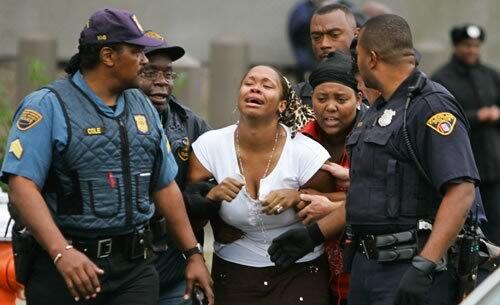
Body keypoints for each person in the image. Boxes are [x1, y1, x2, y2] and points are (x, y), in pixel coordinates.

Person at [1, 8, 213, 305]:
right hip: (67, 270)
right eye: (136, 51)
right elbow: (22, 185)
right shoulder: (48, 105)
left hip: (135, 270)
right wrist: (61, 252)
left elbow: (164, 185)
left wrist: (193, 254)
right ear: (108, 56)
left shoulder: (142, 105)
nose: (143, 59)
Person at [270, 14, 481, 305]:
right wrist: (314, 234)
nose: (353, 63)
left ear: (371, 58)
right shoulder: (378, 111)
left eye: (356, 56)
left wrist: (425, 264)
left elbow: (461, 191)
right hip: (367, 267)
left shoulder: (430, 107)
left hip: (410, 267)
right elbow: (369, 194)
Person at [187, 65, 336, 305]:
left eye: (267, 86)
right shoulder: (208, 147)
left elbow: (336, 208)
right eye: (249, 83)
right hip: (235, 271)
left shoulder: (306, 153)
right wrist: (211, 199)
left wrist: (298, 197)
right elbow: (190, 214)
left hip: (299, 269)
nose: (255, 88)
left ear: (282, 105)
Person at [137, 30, 214, 305]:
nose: (161, 82)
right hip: (126, 267)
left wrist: (204, 197)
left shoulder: (190, 124)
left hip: (176, 264)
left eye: (168, 74)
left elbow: (213, 185)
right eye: (149, 72)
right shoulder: (113, 121)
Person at [297, 51, 367, 305]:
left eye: (341, 98)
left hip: (362, 271)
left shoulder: (375, 138)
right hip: (310, 272)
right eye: (321, 98)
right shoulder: (298, 140)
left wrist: (330, 203)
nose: (330, 107)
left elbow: (385, 194)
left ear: (359, 98)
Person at [432, 24, 500, 247]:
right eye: (466, 46)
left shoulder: (490, 75)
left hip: (494, 167)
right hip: (465, 168)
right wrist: (478, 116)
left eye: (475, 46)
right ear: (456, 46)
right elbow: (441, 120)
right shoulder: (442, 79)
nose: (471, 50)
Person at [294, 3, 358, 106]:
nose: (324, 44)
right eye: (316, 37)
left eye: (334, 35)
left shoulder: (376, 91)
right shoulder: (296, 98)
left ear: (356, 34)